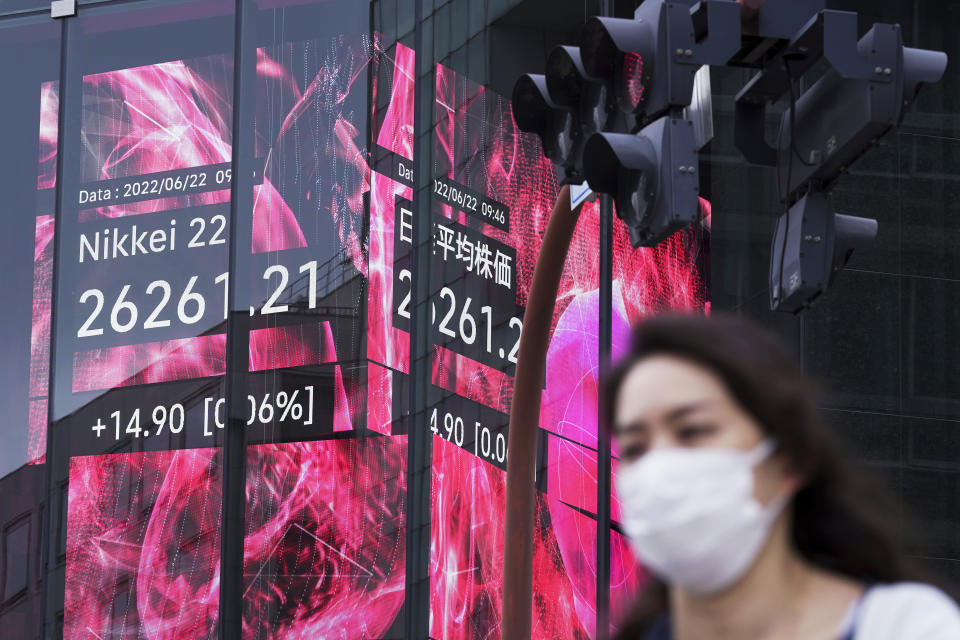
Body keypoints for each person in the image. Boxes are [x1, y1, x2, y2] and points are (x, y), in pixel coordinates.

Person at [604, 313, 960, 640]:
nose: (659, 466)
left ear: (789, 460)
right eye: (635, 448)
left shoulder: (905, 627)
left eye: (693, 431)